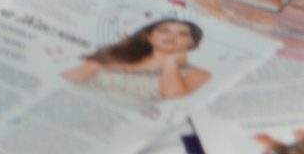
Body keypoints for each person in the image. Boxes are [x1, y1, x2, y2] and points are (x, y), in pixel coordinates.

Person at [64, 17, 210, 100]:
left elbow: (173, 98)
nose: (171, 37)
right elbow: (71, 78)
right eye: (163, 31)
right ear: (149, 36)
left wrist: (170, 63)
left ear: (192, 42)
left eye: (182, 34)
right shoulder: (118, 54)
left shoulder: (198, 74)